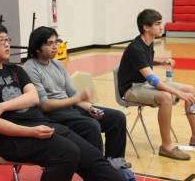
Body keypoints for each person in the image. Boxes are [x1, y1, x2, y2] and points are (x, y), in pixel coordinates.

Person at [0, 22, 128, 181]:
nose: (7, 45)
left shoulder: (15, 70)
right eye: (1, 41)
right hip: (11, 139)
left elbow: (33, 97)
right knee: (68, 152)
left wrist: (1, 106)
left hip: (42, 124)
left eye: (8, 40)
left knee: (90, 154)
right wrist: (31, 131)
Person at [118, 9, 195, 161]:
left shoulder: (148, 42)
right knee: (166, 96)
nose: (162, 27)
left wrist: (160, 62)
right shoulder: (135, 47)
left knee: (191, 90)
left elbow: (143, 63)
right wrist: (179, 94)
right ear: (146, 27)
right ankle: (166, 146)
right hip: (131, 88)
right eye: (158, 24)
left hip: (143, 84)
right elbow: (153, 80)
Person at [23, 26, 127, 159]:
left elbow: (72, 93)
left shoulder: (57, 64)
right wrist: (77, 100)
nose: (55, 47)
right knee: (91, 126)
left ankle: (115, 163)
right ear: (37, 48)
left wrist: (90, 108)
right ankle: (97, 168)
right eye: (49, 44)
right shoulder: (30, 68)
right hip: (52, 115)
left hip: (70, 108)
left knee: (117, 118)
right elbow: (44, 105)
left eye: (56, 42)